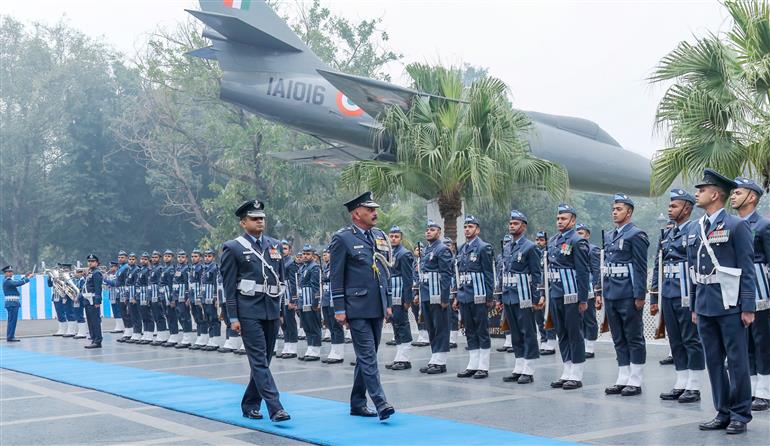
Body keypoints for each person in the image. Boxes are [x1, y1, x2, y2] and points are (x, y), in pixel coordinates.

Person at [689, 169, 755, 434]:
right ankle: (722, 411)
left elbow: (747, 268)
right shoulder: (696, 228)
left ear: (715, 194)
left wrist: (748, 306)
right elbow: (693, 269)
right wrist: (694, 305)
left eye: (702, 189)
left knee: (737, 361)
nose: (698, 193)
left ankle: (740, 413)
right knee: (713, 360)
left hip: (730, 304)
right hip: (704, 304)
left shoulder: (736, 225)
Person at [221, 199, 290, 422]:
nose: (260, 222)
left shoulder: (275, 245)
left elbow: (280, 280)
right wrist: (232, 316)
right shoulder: (233, 247)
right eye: (254, 219)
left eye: (262, 218)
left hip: (270, 309)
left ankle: (250, 403)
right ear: (243, 222)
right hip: (248, 310)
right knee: (259, 360)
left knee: (264, 360)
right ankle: (275, 407)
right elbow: (229, 286)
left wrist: (280, 311)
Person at [329, 191, 395, 421]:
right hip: (355, 306)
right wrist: (339, 309)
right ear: (357, 213)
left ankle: (357, 403)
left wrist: (387, 302)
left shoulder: (377, 236)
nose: (375, 213)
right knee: (367, 356)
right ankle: (381, 402)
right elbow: (335, 276)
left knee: (367, 356)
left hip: (376, 305)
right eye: (370, 210)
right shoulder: (342, 238)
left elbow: (384, 271)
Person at [650, 189, 704, 403]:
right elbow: (658, 265)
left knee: (691, 339)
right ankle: (681, 382)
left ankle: (695, 385)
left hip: (687, 291)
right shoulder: (668, 233)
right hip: (669, 292)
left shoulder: (695, 229)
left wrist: (698, 297)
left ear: (687, 208)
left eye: (674, 206)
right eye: (669, 205)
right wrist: (654, 296)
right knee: (675, 340)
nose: (669, 209)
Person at [602, 193, 649, 397]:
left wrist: (640, 295)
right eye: (613, 209)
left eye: (619, 209)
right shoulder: (610, 235)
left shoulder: (636, 235)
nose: (614, 212)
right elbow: (607, 266)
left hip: (628, 293)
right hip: (612, 292)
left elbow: (640, 267)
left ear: (629, 212)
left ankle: (636, 379)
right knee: (618, 337)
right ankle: (623, 376)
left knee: (634, 336)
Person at [730, 177, 770, 412]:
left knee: (761, 340)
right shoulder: (733, 224)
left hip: (760, 289)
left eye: (738, 192)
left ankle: (764, 391)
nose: (733, 196)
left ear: (752, 197)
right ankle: (753, 389)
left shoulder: (763, 225)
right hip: (735, 289)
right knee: (745, 343)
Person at [547, 204, 590, 390]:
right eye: (558, 218)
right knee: (562, 332)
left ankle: (577, 374)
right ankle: (567, 370)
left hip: (571, 293)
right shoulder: (554, 241)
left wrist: (583, 299)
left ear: (572, 220)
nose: (559, 222)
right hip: (556, 292)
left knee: (574, 333)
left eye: (563, 219)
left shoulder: (577, 241)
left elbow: (582, 271)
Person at [500, 210, 542, 384]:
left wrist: (535, 297)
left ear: (523, 226)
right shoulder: (508, 247)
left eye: (516, 223)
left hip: (523, 295)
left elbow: (536, 274)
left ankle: (529, 369)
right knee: (515, 333)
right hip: (509, 295)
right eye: (510, 223)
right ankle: (519, 366)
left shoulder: (530, 247)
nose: (512, 226)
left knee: (527, 332)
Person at [454, 216, 494, 379]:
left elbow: (488, 274)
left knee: (481, 330)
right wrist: (457, 295)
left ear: (477, 230)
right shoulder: (462, 248)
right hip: (465, 295)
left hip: (479, 295)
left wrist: (489, 296)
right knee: (469, 330)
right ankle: (473, 364)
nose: (467, 229)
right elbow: (460, 274)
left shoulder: (484, 247)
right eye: (465, 227)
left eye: (470, 226)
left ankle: (483, 366)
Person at [417, 220, 454, 375]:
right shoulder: (426, 250)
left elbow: (446, 275)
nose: (428, 232)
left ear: (439, 232)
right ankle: (434, 358)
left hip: (437, 294)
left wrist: (445, 298)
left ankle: (441, 361)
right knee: (431, 327)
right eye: (427, 230)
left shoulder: (443, 249)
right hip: (426, 293)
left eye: (432, 230)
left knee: (440, 327)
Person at [385, 225, 415, 371]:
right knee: (395, 325)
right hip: (391, 295)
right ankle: (399, 356)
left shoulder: (404, 254)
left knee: (403, 325)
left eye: (396, 236)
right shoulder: (388, 253)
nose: (393, 238)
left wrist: (408, 299)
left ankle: (405, 358)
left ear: (401, 238)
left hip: (400, 294)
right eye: (391, 236)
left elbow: (408, 279)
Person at [575, 224, 601, 358]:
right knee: (578, 319)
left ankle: (590, 346)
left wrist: (597, 291)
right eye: (577, 233)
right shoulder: (572, 248)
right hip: (576, 288)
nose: (578, 235)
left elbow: (596, 271)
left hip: (589, 288)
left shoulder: (593, 249)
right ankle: (583, 343)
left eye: (581, 233)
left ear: (587, 235)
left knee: (589, 318)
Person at [298, 244, 322, 361]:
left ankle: (316, 350)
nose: (305, 256)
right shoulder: (303, 267)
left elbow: (316, 286)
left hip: (310, 300)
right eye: (304, 254)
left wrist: (316, 302)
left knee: (314, 325)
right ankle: (310, 348)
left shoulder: (314, 267)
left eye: (308, 254)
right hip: (303, 300)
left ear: (313, 255)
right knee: (306, 326)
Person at [321, 247, 345, 364]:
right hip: (326, 299)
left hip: (334, 299)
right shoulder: (326, 267)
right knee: (330, 326)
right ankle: (334, 350)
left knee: (336, 327)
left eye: (328, 254)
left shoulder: (337, 265)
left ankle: (338, 353)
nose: (325, 256)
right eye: (324, 254)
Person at [534, 231, 556, 355]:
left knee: (548, 315)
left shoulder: (548, 253)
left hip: (548, 288)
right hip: (536, 288)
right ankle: (543, 339)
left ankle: (551, 342)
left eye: (541, 240)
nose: (538, 242)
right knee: (539, 318)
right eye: (537, 240)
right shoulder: (534, 253)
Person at [278, 240, 300, 359]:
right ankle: (287, 345)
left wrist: (293, 299)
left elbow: (294, 282)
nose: (283, 251)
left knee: (290, 322)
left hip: (288, 296)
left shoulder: (291, 262)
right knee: (283, 323)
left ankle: (293, 347)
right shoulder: (278, 262)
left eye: (285, 248)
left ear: (290, 250)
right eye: (281, 249)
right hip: (280, 296)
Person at [3, 266, 31, 342]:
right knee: (12, 321)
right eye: (9, 272)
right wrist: (28, 278)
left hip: (12, 303)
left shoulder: (9, 281)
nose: (11, 273)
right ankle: (10, 336)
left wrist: (25, 276)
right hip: (12, 304)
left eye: (11, 271)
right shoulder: (8, 281)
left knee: (11, 321)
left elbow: (17, 282)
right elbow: (18, 283)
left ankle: (10, 336)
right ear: (5, 273)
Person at [172, 250, 194, 348]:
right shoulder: (178, 268)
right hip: (177, 295)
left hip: (183, 296)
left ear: (186, 258)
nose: (180, 258)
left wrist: (188, 296)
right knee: (180, 316)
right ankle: (185, 336)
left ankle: (187, 339)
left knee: (185, 317)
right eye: (179, 257)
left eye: (183, 257)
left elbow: (188, 283)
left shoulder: (187, 269)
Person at [82, 254, 104, 349]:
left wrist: (97, 301)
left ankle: (98, 340)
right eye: (89, 261)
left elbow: (98, 288)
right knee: (90, 321)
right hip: (88, 300)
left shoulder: (96, 273)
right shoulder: (90, 273)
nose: (90, 263)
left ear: (97, 263)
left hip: (93, 300)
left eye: (92, 261)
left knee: (95, 321)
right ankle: (93, 338)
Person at [114, 251, 134, 342]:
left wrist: (126, 295)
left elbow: (127, 282)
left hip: (123, 292)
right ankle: (127, 331)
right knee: (122, 313)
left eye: (122, 257)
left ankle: (129, 332)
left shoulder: (126, 268)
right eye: (119, 257)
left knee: (126, 313)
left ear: (126, 258)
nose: (120, 259)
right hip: (119, 292)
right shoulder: (120, 268)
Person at [49, 263, 73, 337]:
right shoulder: (57, 275)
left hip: (65, 296)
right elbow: (49, 285)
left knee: (68, 313)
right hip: (56, 296)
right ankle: (62, 329)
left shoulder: (69, 276)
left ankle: (70, 329)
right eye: (61, 268)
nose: (62, 269)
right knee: (59, 314)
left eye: (64, 268)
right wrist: (50, 277)